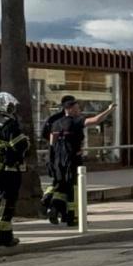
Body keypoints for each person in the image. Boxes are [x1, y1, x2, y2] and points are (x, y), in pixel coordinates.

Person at [47, 96, 115, 226]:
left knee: (62, 186)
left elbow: (51, 144)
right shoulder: (76, 121)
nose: (79, 110)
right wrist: (109, 110)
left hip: (58, 160)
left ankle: (55, 209)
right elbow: (96, 120)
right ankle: (74, 218)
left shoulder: (56, 123)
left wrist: (51, 162)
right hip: (72, 160)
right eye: (77, 108)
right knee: (74, 189)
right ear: (70, 109)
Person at [0, 92, 29, 247]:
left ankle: (6, 235)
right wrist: (25, 143)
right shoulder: (10, 124)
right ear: (7, 107)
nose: (13, 109)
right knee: (7, 203)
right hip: (8, 171)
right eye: (12, 106)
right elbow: (21, 146)